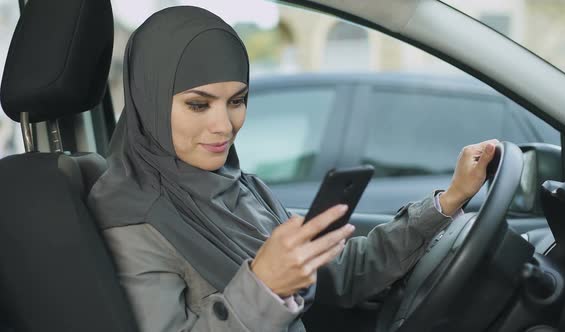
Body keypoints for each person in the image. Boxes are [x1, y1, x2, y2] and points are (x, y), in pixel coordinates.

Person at [88, 6, 498, 332]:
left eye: (237, 100)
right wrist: (263, 288)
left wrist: (448, 201)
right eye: (199, 104)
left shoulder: (240, 188)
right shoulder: (133, 220)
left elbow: (339, 274)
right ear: (150, 101)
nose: (225, 125)